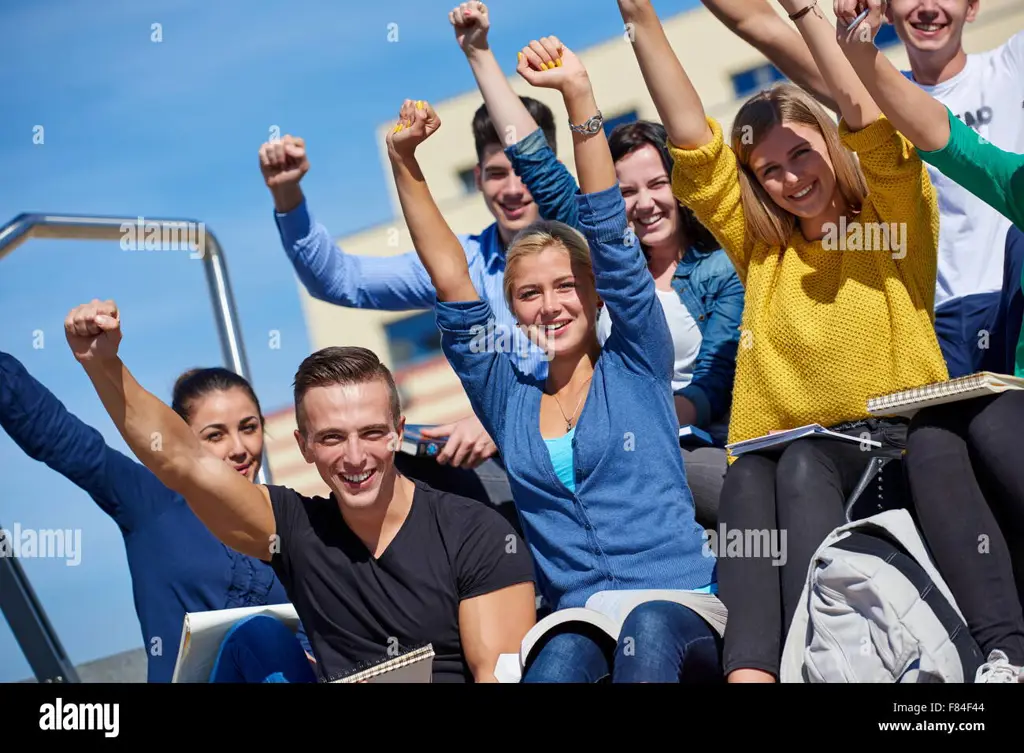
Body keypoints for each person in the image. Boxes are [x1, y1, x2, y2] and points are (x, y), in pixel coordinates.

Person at [618, 0, 956, 683]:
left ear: (831, 148)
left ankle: (822, 659)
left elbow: (869, 123)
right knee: (745, 480)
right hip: (777, 458)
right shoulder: (763, 250)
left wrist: (806, 13)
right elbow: (694, 147)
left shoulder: (893, 222)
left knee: (798, 466)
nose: (791, 177)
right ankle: (752, 673)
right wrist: (641, 17)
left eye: (802, 154)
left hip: (884, 447)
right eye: (769, 170)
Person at [384, 42, 723, 683]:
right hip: (580, 619)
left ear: (596, 294)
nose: (550, 306)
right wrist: (405, 160)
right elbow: (450, 275)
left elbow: (607, 228)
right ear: (511, 309)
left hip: (681, 608)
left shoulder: (635, 358)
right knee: (556, 662)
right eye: (529, 294)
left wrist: (579, 97)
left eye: (567, 287)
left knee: (647, 629)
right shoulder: (507, 395)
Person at [63, 298, 538, 683]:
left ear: (398, 432)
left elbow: (495, 675)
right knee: (259, 639)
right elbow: (183, 460)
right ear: (304, 446)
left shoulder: (475, 533)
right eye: (332, 438)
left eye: (372, 433)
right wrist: (103, 364)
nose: (354, 457)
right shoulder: (297, 529)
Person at [448, 1, 743, 528]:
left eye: (658, 185)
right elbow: (532, 157)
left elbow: (712, 383)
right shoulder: (603, 251)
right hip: (592, 440)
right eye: (626, 190)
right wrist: (479, 54)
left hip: (683, 445)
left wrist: (638, 425)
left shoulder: (720, 269)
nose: (645, 202)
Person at [835, 0, 1024, 683]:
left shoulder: (1008, 64)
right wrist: (857, 53)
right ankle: (1007, 654)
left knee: (998, 425)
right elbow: (943, 134)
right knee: (937, 439)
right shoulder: (1019, 185)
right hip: (987, 368)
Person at [706, 0, 1024, 378]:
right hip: (931, 316)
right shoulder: (868, 95)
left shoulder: (1012, 64)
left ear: (973, 8)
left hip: (1011, 300)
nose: (927, 7)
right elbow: (761, 24)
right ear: (887, 12)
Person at [258, 90, 563, 476]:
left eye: (524, 173)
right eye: (497, 174)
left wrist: (503, 421)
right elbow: (340, 281)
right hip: (514, 475)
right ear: (478, 178)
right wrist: (287, 194)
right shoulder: (457, 262)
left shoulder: (587, 245)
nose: (513, 190)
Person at [0, 348, 313, 684]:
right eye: (215, 435)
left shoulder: (284, 522)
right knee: (260, 633)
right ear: (181, 440)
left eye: (249, 428)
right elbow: (58, 435)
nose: (239, 448)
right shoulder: (150, 502)